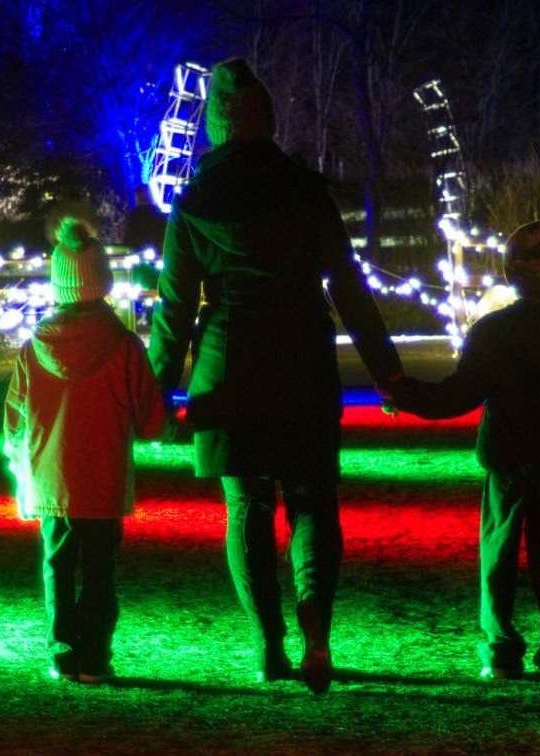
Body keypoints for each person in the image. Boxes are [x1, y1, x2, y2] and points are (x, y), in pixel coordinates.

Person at [148, 58, 403, 694]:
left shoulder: (194, 204)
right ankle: (316, 625)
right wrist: (387, 371)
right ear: (267, 122)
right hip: (302, 360)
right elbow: (347, 286)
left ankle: (268, 643)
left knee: (247, 507)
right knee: (312, 501)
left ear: (216, 126)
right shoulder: (306, 192)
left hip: (227, 367)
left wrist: (154, 393)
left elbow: (174, 310)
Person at [387, 221, 540, 683]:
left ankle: (501, 652)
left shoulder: (494, 331)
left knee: (497, 561)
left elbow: (457, 396)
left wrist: (404, 393)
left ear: (510, 273)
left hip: (509, 459)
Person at [3, 210, 166, 684]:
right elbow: (150, 419)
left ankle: (62, 652)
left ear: (58, 282)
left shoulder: (34, 348)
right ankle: (95, 657)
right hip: (103, 478)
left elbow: (14, 418)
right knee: (99, 570)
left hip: (51, 477)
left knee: (57, 566)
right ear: (103, 281)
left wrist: (20, 461)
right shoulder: (125, 346)